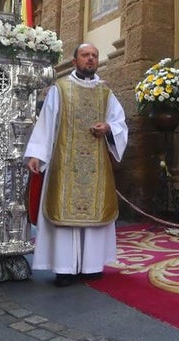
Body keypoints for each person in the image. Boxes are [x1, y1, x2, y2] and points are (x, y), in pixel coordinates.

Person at [25, 43, 127, 287]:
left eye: (94, 55)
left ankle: (91, 266)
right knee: (64, 213)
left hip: (95, 165)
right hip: (65, 163)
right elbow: (47, 123)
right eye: (85, 55)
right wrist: (36, 154)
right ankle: (64, 269)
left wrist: (109, 128)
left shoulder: (105, 93)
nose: (90, 59)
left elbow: (119, 121)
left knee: (93, 213)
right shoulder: (61, 89)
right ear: (75, 61)